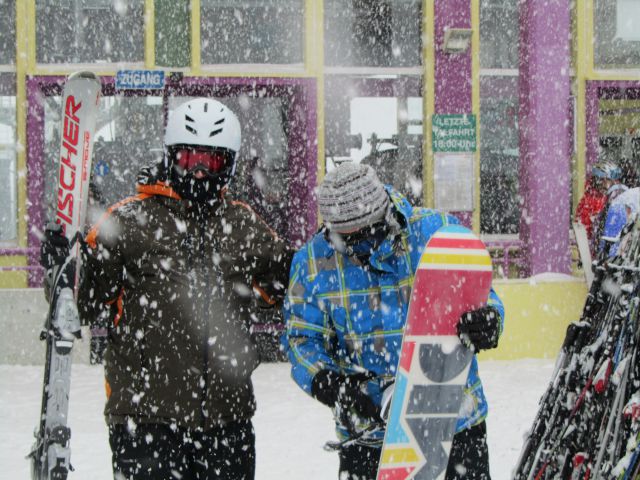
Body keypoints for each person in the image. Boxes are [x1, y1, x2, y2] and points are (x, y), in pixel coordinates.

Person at [40, 98, 292, 479]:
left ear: (231, 165)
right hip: (146, 424)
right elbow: (83, 303)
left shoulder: (243, 225)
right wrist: (65, 268)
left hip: (226, 424)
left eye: (214, 161)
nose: (201, 172)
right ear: (172, 156)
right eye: (191, 159)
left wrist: (329, 253)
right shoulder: (127, 222)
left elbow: (292, 282)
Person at [282, 163, 504, 480]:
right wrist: (330, 383)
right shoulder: (313, 262)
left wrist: (489, 319)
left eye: (366, 235)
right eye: (347, 239)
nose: (359, 249)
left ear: (385, 214)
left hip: (456, 422)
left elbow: (482, 295)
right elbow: (302, 339)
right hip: (369, 436)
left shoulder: (435, 233)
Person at [590, 160, 629, 258]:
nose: (600, 184)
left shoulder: (617, 198)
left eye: (603, 179)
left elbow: (611, 235)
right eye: (598, 180)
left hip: (612, 258)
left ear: (612, 180)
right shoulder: (620, 195)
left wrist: (604, 258)